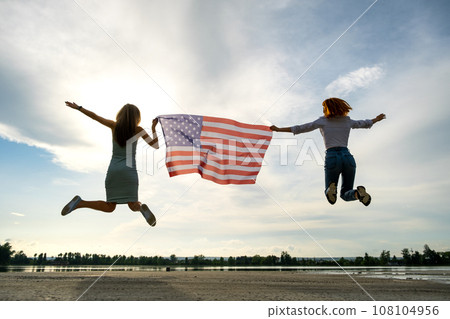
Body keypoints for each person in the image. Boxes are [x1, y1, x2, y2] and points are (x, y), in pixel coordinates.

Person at [270, 97, 385, 206]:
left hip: (332, 157)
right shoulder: (347, 121)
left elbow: (301, 128)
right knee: (346, 193)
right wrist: (377, 119)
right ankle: (357, 194)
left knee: (330, 191)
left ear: (328, 108)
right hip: (348, 157)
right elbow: (364, 123)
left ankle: (330, 189)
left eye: (324, 108)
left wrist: (279, 129)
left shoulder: (323, 121)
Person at [61, 102, 159, 226]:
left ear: (121, 115)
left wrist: (79, 108)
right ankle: (140, 208)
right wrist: (154, 128)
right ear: (136, 117)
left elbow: (95, 117)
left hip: (114, 169)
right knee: (132, 203)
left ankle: (80, 203)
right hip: (129, 171)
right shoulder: (138, 130)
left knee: (110, 206)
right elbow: (155, 145)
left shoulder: (114, 126)